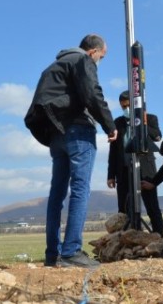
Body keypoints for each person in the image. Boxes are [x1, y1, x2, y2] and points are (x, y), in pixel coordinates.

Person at [24, 34, 118, 268]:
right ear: (93, 51)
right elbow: (92, 93)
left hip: (56, 134)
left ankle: (52, 255)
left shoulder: (53, 66)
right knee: (79, 189)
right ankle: (71, 252)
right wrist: (109, 125)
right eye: (102, 57)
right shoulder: (82, 61)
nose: (100, 61)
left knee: (57, 193)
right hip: (78, 131)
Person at [107, 91, 163, 236]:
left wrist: (142, 123)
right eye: (122, 107)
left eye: (128, 106)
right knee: (124, 208)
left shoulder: (150, 118)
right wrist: (111, 175)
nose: (126, 109)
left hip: (145, 170)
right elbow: (113, 151)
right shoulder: (118, 123)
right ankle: (125, 238)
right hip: (124, 170)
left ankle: (158, 237)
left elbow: (157, 136)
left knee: (152, 206)